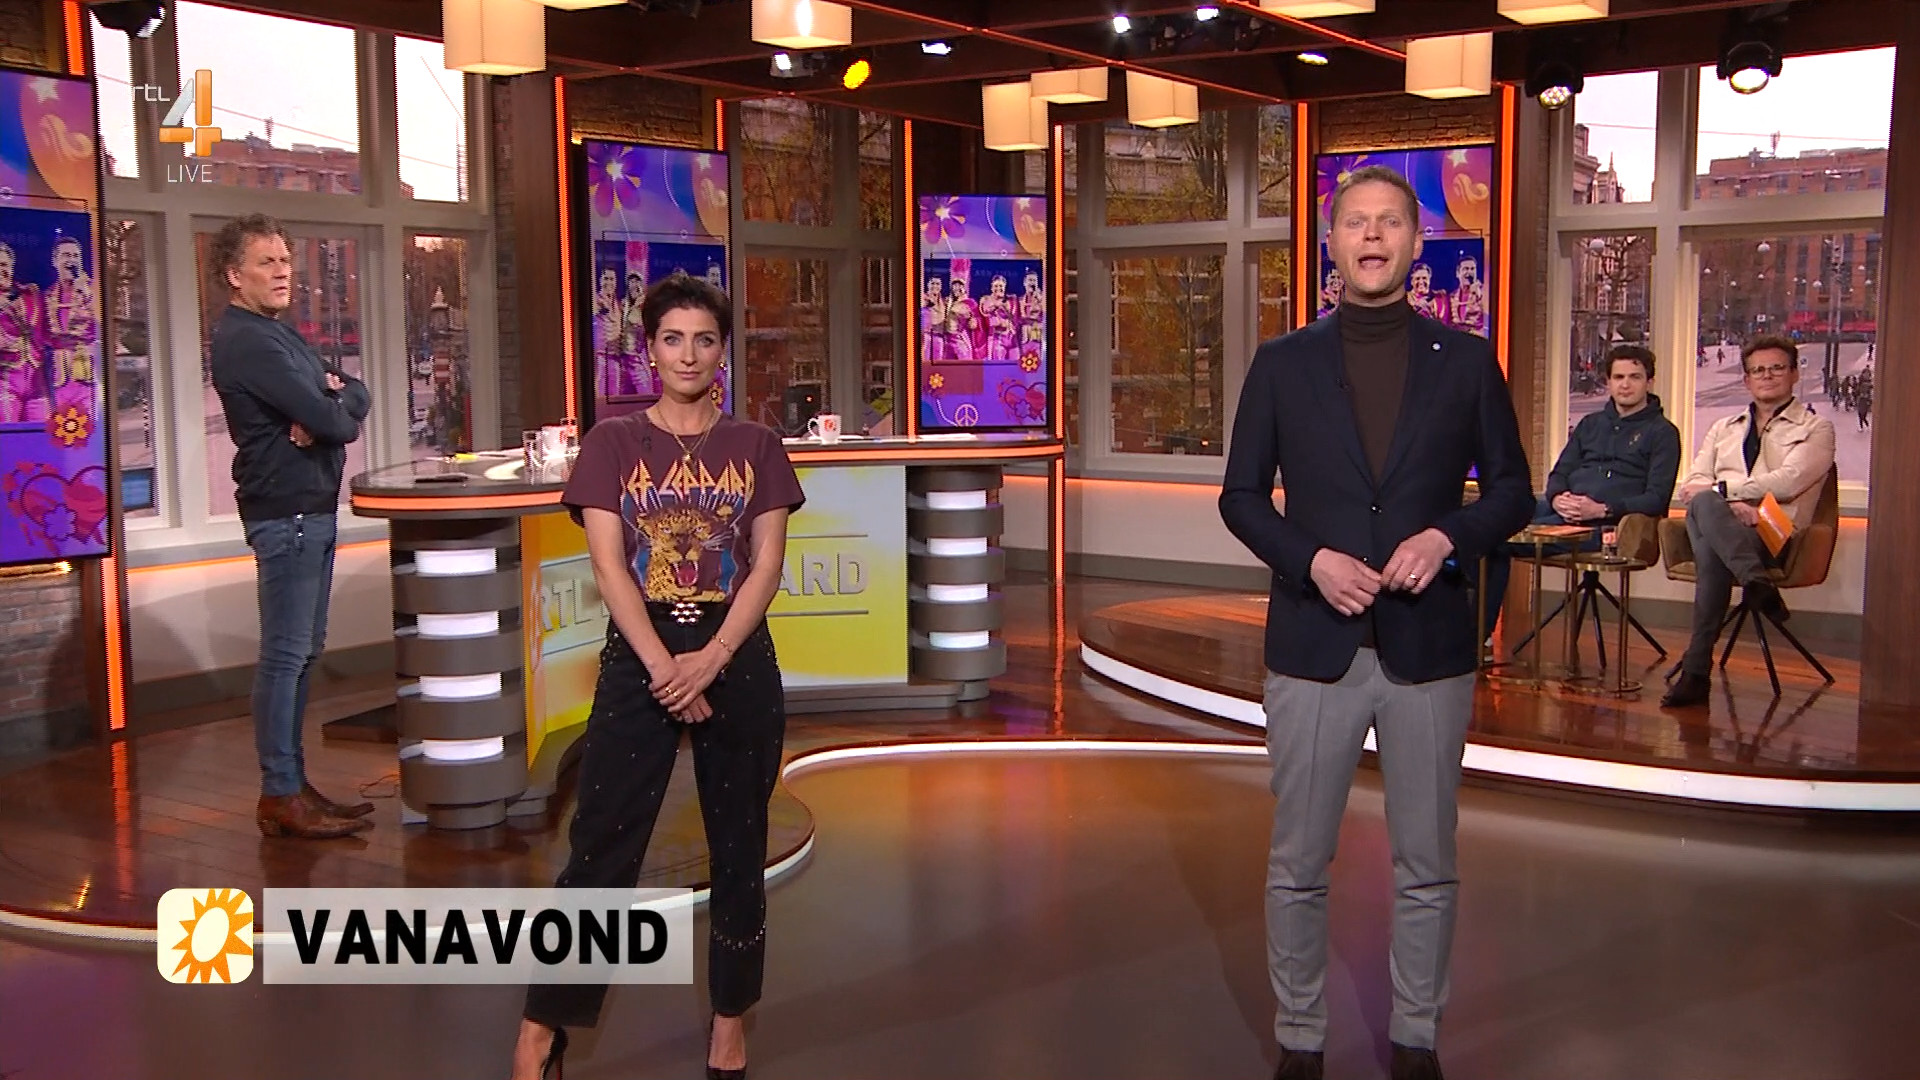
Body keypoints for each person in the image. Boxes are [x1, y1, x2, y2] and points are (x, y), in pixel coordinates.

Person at [1220, 165, 1532, 1080]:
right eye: (1355, 221)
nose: (1371, 235)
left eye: (1389, 221)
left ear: (1414, 241)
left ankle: (1415, 1040)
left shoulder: (1466, 362)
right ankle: (1301, 1039)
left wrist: (1446, 536)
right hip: (1313, 644)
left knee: (1427, 863)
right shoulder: (1283, 363)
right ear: (1332, 242)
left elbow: (1513, 490)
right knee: (1299, 863)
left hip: (1428, 647)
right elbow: (1242, 497)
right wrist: (1310, 559)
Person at [512, 274, 803, 1080]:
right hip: (640, 653)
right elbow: (610, 569)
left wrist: (711, 659)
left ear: (722, 352)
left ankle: (729, 1023)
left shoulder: (757, 445)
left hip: (735, 656)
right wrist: (664, 669)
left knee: (738, 845)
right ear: (649, 351)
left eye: (704, 340)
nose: (689, 354)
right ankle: (541, 1027)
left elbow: (766, 566)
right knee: (601, 847)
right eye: (673, 339)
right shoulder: (612, 443)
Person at [208, 214, 374, 839]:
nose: (284, 272)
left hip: (310, 510)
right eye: (268, 263)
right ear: (235, 275)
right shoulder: (247, 341)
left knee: (303, 653)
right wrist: (328, 410)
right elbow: (337, 422)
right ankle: (279, 791)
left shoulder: (281, 335)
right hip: (286, 515)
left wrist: (332, 402)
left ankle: (292, 785)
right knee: (285, 656)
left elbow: (355, 393)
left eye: (285, 261)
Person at [1661, 334, 1835, 708]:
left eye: (1776, 368)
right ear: (1746, 379)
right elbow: (1693, 483)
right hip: (1723, 527)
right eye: (1758, 370)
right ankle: (1756, 583)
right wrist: (1728, 504)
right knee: (1705, 511)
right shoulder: (1723, 428)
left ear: (1794, 374)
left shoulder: (1816, 428)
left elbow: (1789, 481)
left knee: (1710, 534)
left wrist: (1726, 493)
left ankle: (1696, 672)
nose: (1766, 376)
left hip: (1775, 534)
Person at [1479, 344, 1681, 639]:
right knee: (1489, 521)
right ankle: (1463, 632)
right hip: (1563, 509)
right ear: (1608, 382)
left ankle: (1476, 636)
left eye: (1635, 377)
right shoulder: (1590, 424)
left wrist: (1602, 509)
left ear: (1649, 382)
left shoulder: (1663, 433)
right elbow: (1559, 474)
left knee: (1497, 541)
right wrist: (1558, 497)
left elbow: (1656, 499)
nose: (1625, 385)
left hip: (1608, 525)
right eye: (1618, 377)